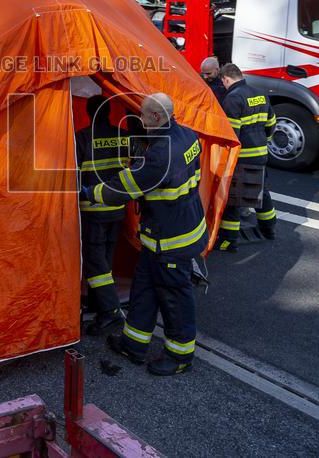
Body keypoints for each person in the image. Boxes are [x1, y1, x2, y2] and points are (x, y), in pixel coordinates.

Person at [81, 93, 205, 376]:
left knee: (175, 298)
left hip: (172, 240)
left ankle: (180, 355)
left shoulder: (161, 155)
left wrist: (88, 192)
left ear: (158, 117)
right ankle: (133, 344)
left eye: (145, 116)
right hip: (168, 231)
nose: (141, 120)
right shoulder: (188, 136)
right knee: (144, 291)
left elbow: (122, 189)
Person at [75, 95, 128, 335]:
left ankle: (110, 312)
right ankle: (98, 303)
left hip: (93, 210)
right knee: (105, 259)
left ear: (89, 113)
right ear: (108, 112)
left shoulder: (82, 137)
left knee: (96, 265)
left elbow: (73, 175)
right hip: (117, 210)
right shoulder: (122, 136)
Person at [215, 63, 277, 251]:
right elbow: (271, 124)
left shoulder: (232, 99)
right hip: (261, 154)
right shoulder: (260, 94)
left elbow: (231, 136)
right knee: (261, 192)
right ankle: (269, 230)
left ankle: (228, 241)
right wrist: (263, 141)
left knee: (233, 199)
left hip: (242, 158)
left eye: (223, 83)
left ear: (225, 79)